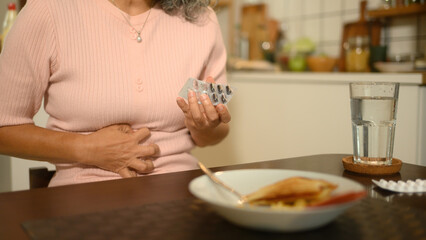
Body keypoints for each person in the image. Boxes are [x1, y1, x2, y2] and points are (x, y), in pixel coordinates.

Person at [0, 0, 230, 187]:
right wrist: (86, 148)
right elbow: (4, 130)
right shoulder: (48, 11)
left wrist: (204, 126)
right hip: (82, 195)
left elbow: (216, 133)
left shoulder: (204, 19)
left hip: (181, 189)